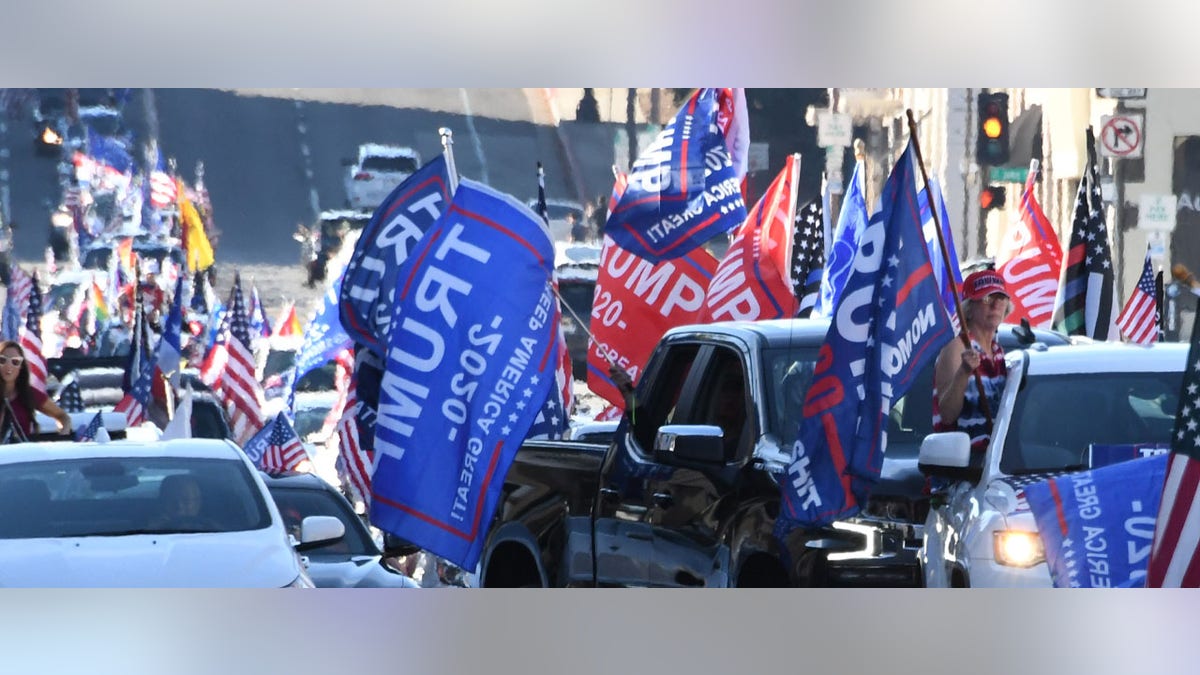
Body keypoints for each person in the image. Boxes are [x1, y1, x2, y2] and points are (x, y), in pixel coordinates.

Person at [932, 269, 1011, 456]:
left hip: (994, 464)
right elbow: (947, 414)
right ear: (968, 308)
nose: (995, 305)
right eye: (986, 299)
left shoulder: (999, 352)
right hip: (961, 469)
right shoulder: (956, 348)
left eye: (1001, 298)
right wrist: (963, 372)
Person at [0, 341, 71, 443]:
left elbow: (64, 417)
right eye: (2, 360)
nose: (8, 366)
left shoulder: (29, 393)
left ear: (21, 366)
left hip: (24, 454)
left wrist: (63, 437)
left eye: (15, 362)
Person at [148, 474, 218, 530]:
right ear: (162, 502)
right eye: (172, 500)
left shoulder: (213, 529)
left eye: (186, 501)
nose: (179, 506)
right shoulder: (149, 530)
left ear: (198, 503)